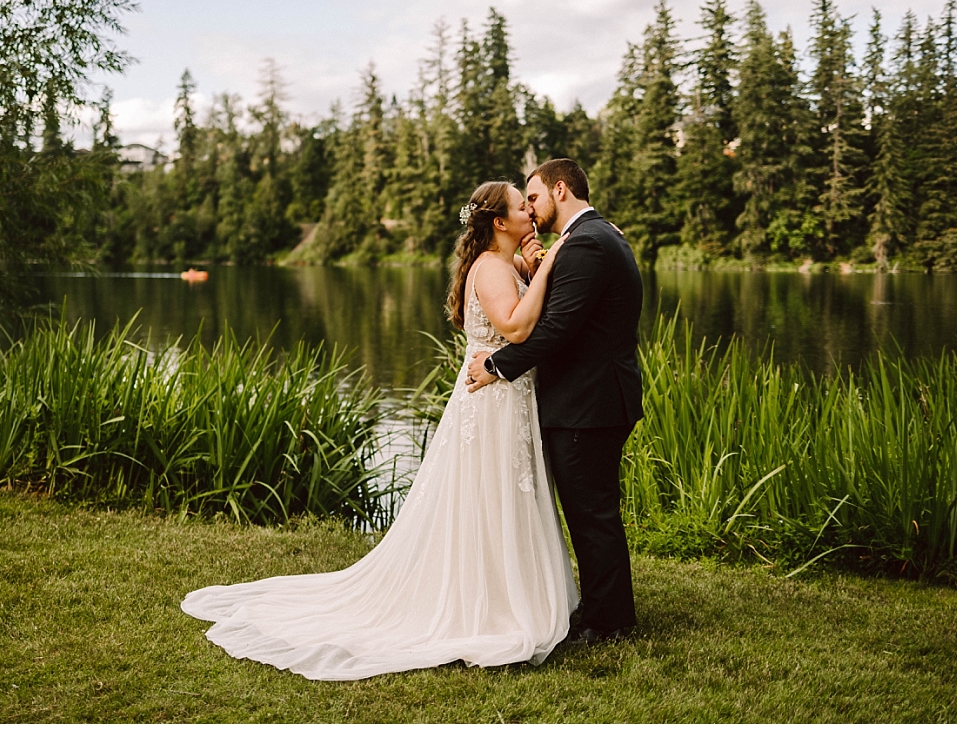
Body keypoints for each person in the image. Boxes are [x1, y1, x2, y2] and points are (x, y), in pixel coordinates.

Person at [181, 181, 576, 681]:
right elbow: (516, 328)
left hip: (504, 396)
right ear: (499, 222)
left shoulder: (507, 262)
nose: (532, 212)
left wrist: (537, 260)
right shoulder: (493, 268)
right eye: (523, 207)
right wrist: (555, 256)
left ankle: (506, 591)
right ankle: (489, 604)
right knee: (489, 494)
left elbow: (529, 295)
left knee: (500, 495)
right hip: (492, 402)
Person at [466, 158, 644, 646]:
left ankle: (606, 620)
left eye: (535, 197)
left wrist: (498, 367)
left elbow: (556, 329)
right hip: (594, 398)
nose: (531, 207)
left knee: (592, 513)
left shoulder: (587, 242)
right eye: (523, 202)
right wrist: (538, 260)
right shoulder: (598, 235)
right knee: (593, 510)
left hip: (590, 402)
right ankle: (606, 609)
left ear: (560, 190)